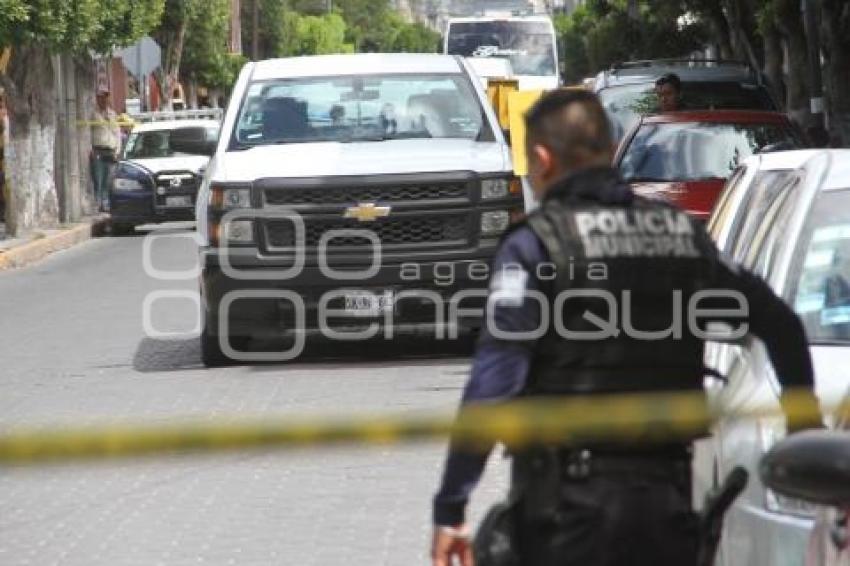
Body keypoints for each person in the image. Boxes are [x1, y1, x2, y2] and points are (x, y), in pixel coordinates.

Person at [430, 89, 818, 566]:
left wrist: (451, 506)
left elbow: (495, 380)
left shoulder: (536, 246)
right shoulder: (678, 233)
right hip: (666, 510)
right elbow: (781, 325)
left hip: (566, 516)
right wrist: (807, 434)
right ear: (610, 151)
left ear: (544, 159)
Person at [90, 88, 121, 211]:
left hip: (110, 150)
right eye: (101, 97)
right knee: (98, 178)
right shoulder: (93, 114)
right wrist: (89, 149)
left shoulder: (112, 114)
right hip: (98, 149)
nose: (103, 99)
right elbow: (88, 132)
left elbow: (117, 132)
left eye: (105, 97)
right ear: (97, 99)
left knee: (108, 179)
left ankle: (106, 203)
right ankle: (98, 203)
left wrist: (118, 150)